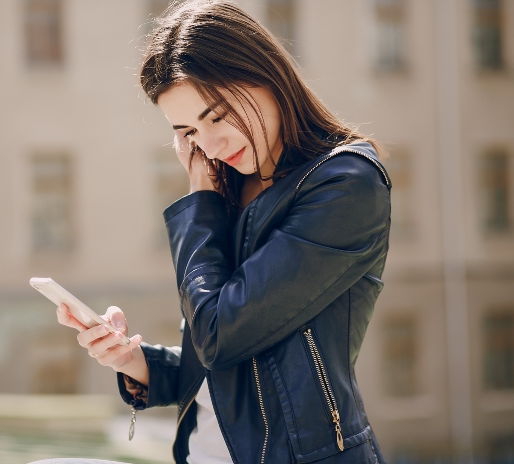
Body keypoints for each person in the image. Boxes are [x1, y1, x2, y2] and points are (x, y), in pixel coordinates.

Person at [49, 1, 391, 463]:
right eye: (188, 131)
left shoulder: (347, 184)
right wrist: (132, 359)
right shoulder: (229, 186)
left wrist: (199, 201)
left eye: (217, 116)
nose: (209, 145)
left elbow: (221, 334)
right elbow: (223, 369)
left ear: (267, 75)